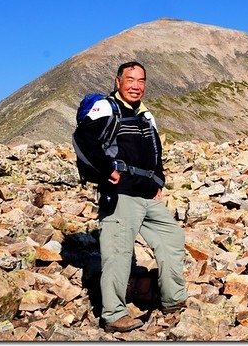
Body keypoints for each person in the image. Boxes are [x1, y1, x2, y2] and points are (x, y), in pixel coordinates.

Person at [73, 61, 187, 332]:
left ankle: (173, 299)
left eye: (141, 80)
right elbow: (82, 139)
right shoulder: (106, 108)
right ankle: (113, 315)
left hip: (147, 195)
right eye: (130, 79)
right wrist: (105, 169)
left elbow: (155, 150)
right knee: (118, 253)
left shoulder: (146, 116)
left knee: (172, 237)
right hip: (121, 194)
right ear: (117, 81)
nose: (136, 85)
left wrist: (159, 179)